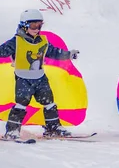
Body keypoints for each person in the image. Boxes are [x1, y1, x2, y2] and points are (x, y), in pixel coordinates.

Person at [0, 9, 79, 139]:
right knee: (21, 103)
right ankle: (12, 130)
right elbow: (3, 51)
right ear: (24, 25)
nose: (36, 29)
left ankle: (53, 128)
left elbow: (53, 52)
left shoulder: (43, 40)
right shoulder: (17, 41)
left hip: (40, 78)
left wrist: (68, 54)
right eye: (33, 25)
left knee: (49, 102)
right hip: (23, 78)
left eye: (39, 25)